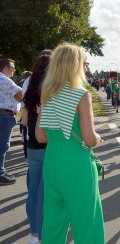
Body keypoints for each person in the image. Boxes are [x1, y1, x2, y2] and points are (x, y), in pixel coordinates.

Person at [35, 42, 104, 243]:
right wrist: (98, 138)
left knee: (53, 220)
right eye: (85, 63)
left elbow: (41, 136)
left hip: (52, 160)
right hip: (76, 163)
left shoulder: (47, 93)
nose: (86, 68)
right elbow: (89, 139)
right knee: (86, 220)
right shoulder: (81, 95)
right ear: (75, 65)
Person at [23, 54, 50, 244]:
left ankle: (33, 235)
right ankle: (42, 236)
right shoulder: (49, 88)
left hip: (31, 144)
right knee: (44, 193)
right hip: (46, 145)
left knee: (32, 191)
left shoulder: (30, 86)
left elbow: (24, 120)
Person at [0, 58, 22, 185]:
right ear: (5, 68)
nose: (14, 70)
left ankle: (1, 170)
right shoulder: (5, 80)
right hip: (4, 115)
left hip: (3, 114)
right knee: (3, 146)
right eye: (12, 68)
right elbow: (20, 94)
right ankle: (1, 174)